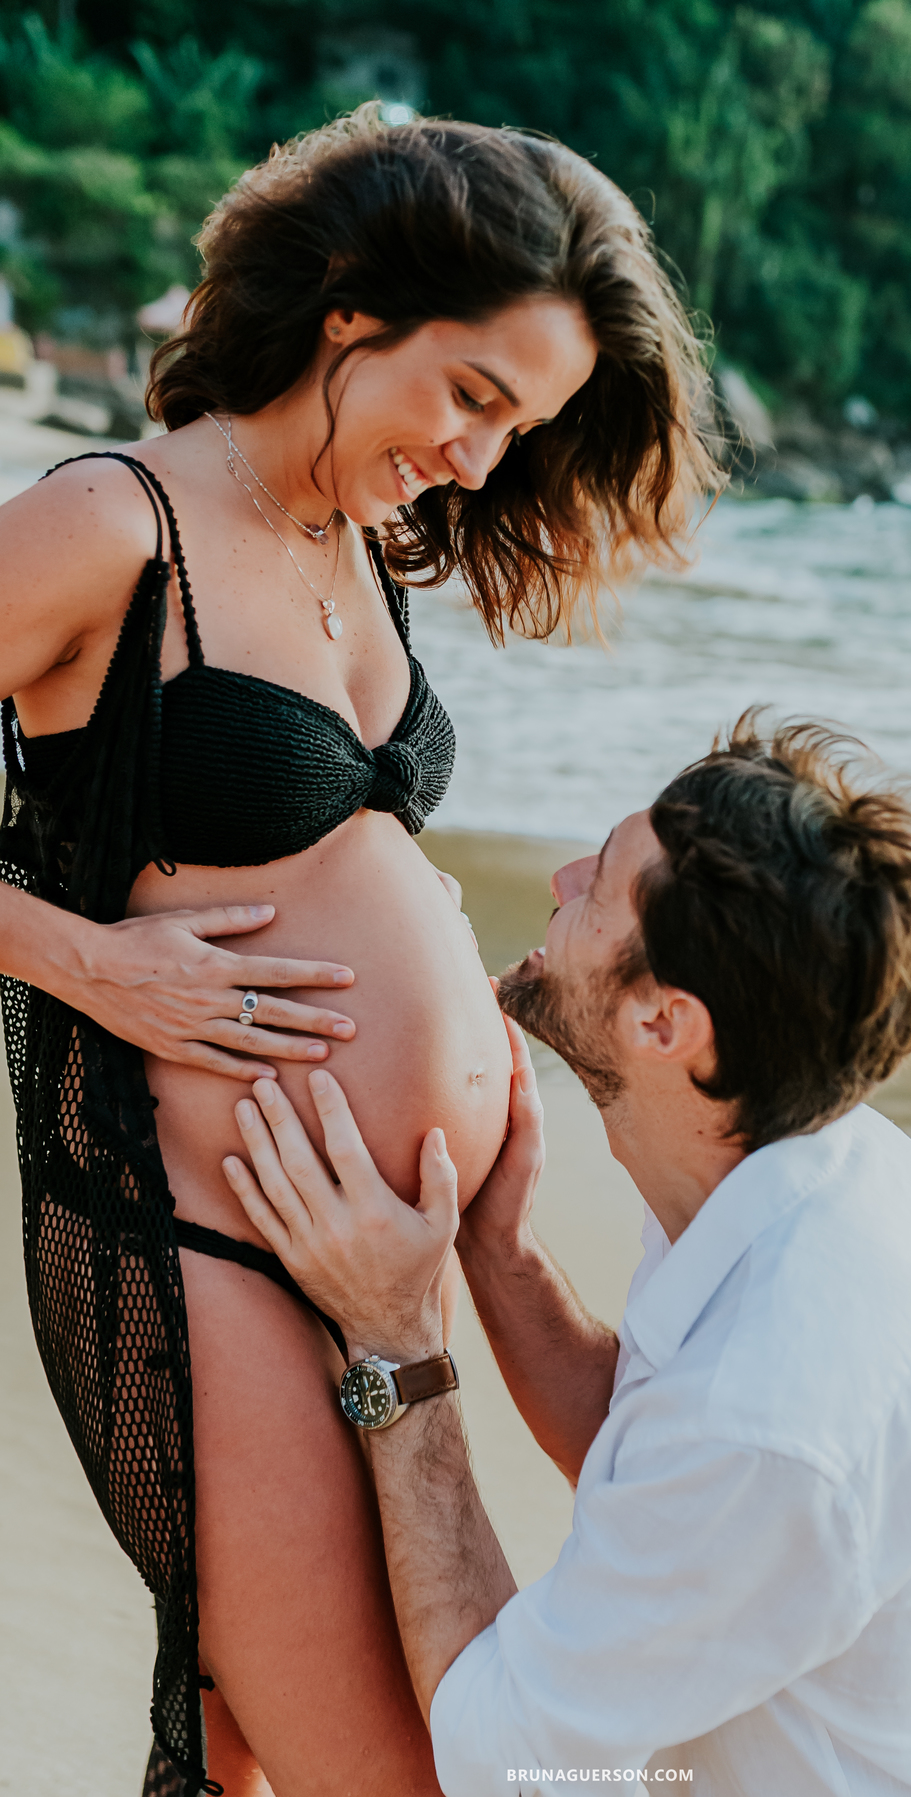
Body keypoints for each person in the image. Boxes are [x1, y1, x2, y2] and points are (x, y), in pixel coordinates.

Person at [0, 108, 718, 1796]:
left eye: (518, 424)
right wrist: (88, 962)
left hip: (372, 1249)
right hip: (209, 1241)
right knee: (396, 1777)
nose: (478, 457)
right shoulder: (114, 524)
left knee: (267, 1747)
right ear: (347, 309)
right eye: (470, 394)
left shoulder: (355, 542)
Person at [224, 717, 911, 1797]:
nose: (561, 877)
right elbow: (650, 1451)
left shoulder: (773, 1413)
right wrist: (500, 1255)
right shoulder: (823, 1165)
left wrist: (397, 1345)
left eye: (599, 884)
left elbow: (502, 1758)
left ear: (664, 1024)